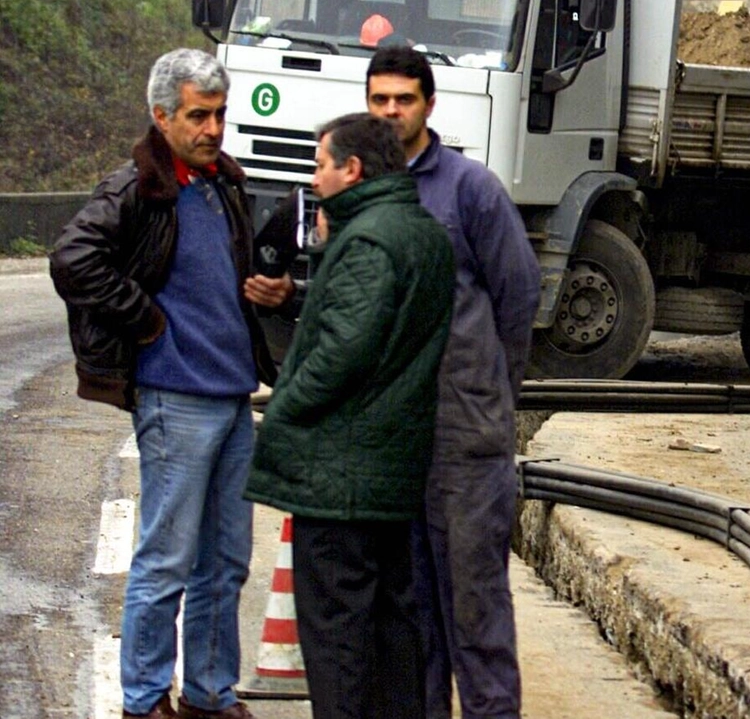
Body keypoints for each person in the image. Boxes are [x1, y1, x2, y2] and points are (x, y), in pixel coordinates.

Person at [48, 48, 282, 719]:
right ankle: (146, 699)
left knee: (226, 561)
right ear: (162, 116)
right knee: (166, 563)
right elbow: (73, 258)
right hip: (175, 400)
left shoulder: (221, 184)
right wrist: (146, 321)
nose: (212, 129)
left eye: (219, 115)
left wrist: (266, 293)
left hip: (234, 399)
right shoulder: (136, 187)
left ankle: (209, 695)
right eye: (198, 116)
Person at [244, 112, 455, 719]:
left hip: (342, 478)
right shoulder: (421, 233)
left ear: (352, 169)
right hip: (392, 471)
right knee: (394, 630)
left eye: (320, 164)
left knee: (337, 639)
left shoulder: (367, 240)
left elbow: (343, 349)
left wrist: (285, 408)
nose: (315, 177)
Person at [365, 46, 542, 719]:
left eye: (403, 100)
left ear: (429, 105)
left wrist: (489, 389)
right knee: (412, 624)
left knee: (476, 615)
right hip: (394, 448)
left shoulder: (470, 189)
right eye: (379, 100)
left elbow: (517, 295)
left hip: (465, 445)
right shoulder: (364, 187)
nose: (390, 112)